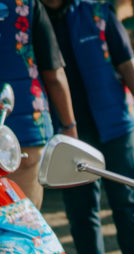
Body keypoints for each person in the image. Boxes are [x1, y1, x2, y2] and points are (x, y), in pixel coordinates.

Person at [41, 0, 134, 254]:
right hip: (67, 131)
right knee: (81, 210)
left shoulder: (97, 13)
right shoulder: (31, 18)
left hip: (115, 124)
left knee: (127, 202)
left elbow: (127, 64)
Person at [0, 0, 77, 208]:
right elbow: (54, 76)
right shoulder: (27, 5)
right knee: (23, 220)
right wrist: (69, 127)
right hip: (25, 133)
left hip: (22, 131)